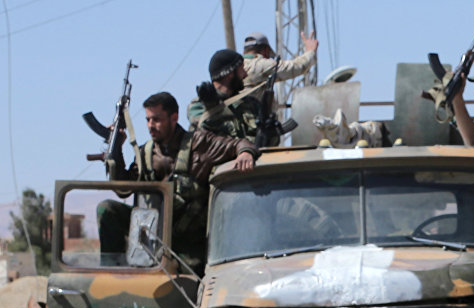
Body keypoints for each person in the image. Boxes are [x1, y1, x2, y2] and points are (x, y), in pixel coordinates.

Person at [99, 91, 257, 274]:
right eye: (148, 120)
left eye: (156, 119)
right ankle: (110, 273)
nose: (151, 126)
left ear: (174, 118)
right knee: (107, 209)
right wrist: (116, 149)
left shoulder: (199, 143)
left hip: (187, 243)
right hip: (151, 236)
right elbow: (123, 190)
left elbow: (239, 144)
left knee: (186, 283)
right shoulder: (145, 153)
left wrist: (246, 152)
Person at [187, 49, 274, 145]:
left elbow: (271, 143)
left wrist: (271, 132)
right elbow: (204, 133)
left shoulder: (251, 105)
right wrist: (211, 106)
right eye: (242, 69)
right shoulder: (198, 106)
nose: (245, 75)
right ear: (230, 73)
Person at [242, 31, 318, 89]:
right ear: (265, 51)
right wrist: (310, 51)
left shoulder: (236, 65)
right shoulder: (261, 65)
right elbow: (297, 67)